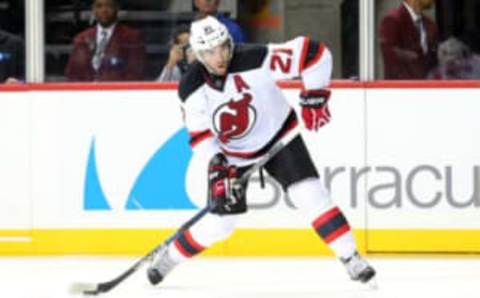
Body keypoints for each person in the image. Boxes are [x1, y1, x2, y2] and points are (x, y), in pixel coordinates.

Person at [146, 16, 376, 287]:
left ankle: (351, 258)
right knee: (221, 225)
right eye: (209, 52)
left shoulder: (257, 58)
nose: (218, 57)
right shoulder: (190, 86)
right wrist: (217, 164)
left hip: (279, 138)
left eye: (222, 47)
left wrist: (315, 95)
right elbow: (200, 136)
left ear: (229, 42)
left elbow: (315, 53)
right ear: (197, 53)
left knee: (310, 194)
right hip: (231, 156)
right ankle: (169, 258)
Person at [64, 0, 145, 81]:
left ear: (117, 8)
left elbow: (135, 73)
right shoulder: (81, 38)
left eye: (109, 6)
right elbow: (72, 74)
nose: (104, 10)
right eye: (99, 6)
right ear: (93, 9)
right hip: (86, 91)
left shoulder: (132, 37)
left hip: (117, 91)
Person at [379, 0, 438, 79]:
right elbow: (390, 57)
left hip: (426, 87)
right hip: (400, 88)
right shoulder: (393, 20)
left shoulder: (429, 24)